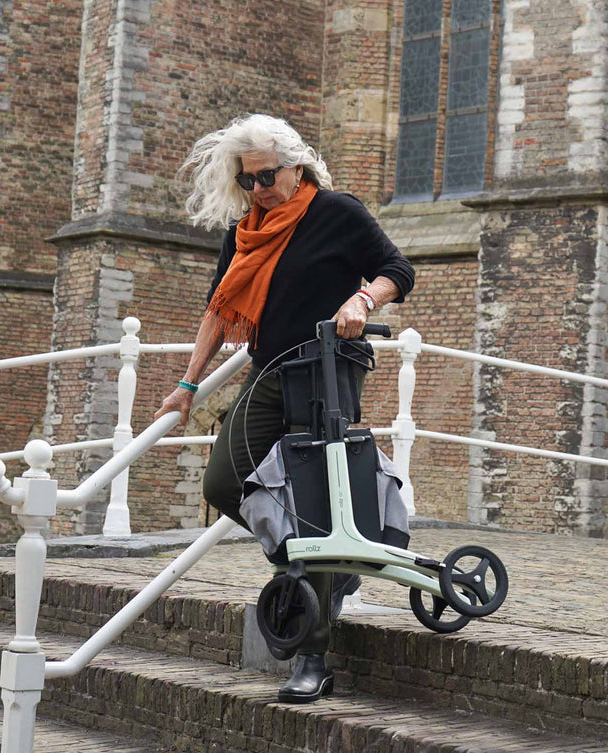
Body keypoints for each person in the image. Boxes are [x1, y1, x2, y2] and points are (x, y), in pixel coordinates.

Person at [154, 114, 415, 703]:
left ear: (297, 165)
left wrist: (362, 297)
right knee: (225, 481)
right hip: (272, 372)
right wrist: (188, 387)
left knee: (319, 502)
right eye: (248, 180)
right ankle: (313, 566)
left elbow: (398, 270)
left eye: (267, 176)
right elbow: (219, 311)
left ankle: (313, 655)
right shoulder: (245, 231)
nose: (259, 189)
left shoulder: (337, 213)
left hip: (329, 367)